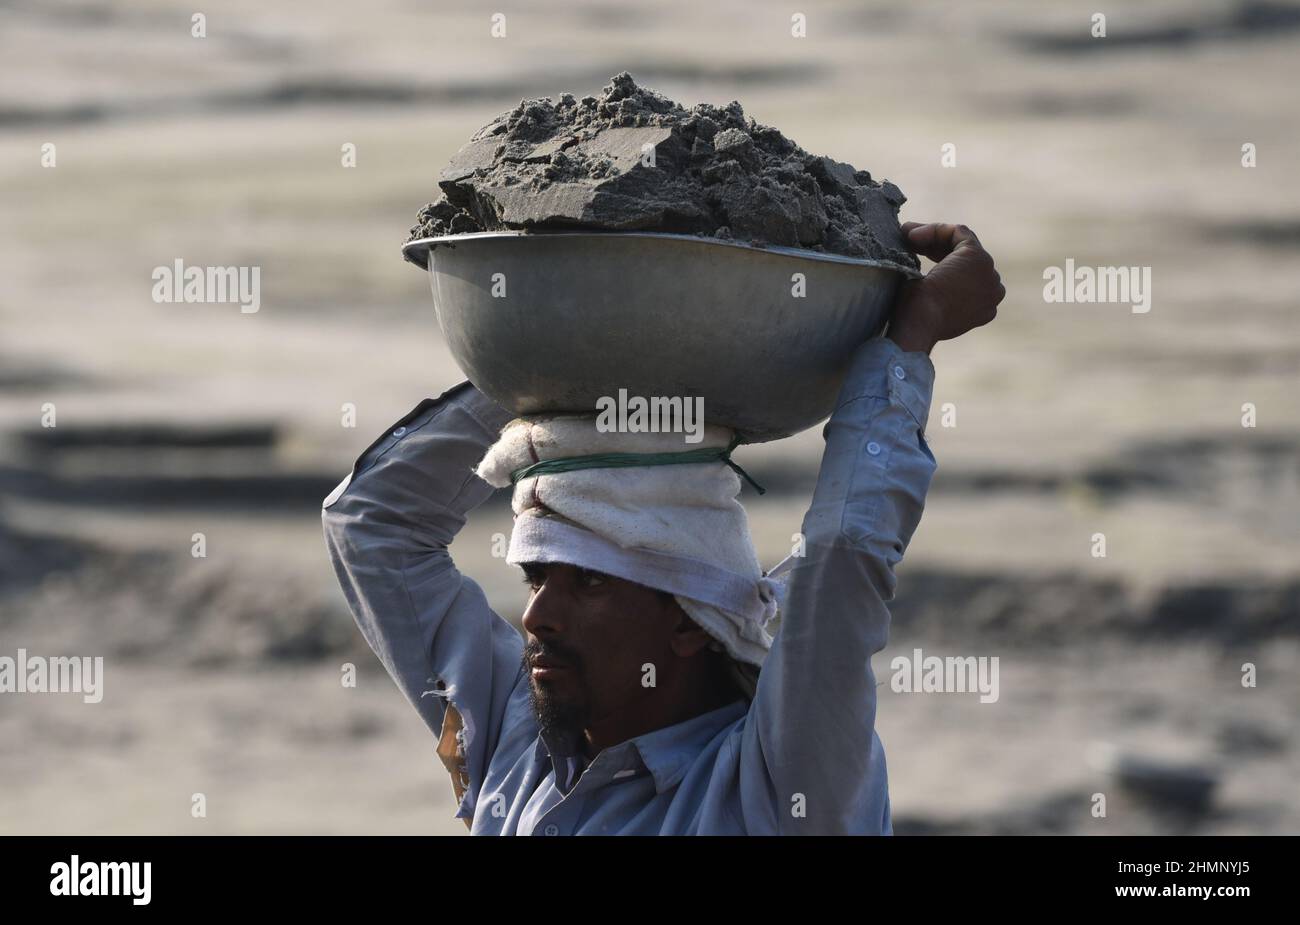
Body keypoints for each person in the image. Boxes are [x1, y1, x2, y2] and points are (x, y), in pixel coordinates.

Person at [322, 222, 1004, 835]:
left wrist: (915, 331)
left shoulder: (775, 785)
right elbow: (372, 523)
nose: (538, 615)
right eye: (536, 575)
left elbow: (843, 556)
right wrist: (558, 357)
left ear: (687, 621)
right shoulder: (518, 739)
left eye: (588, 579)